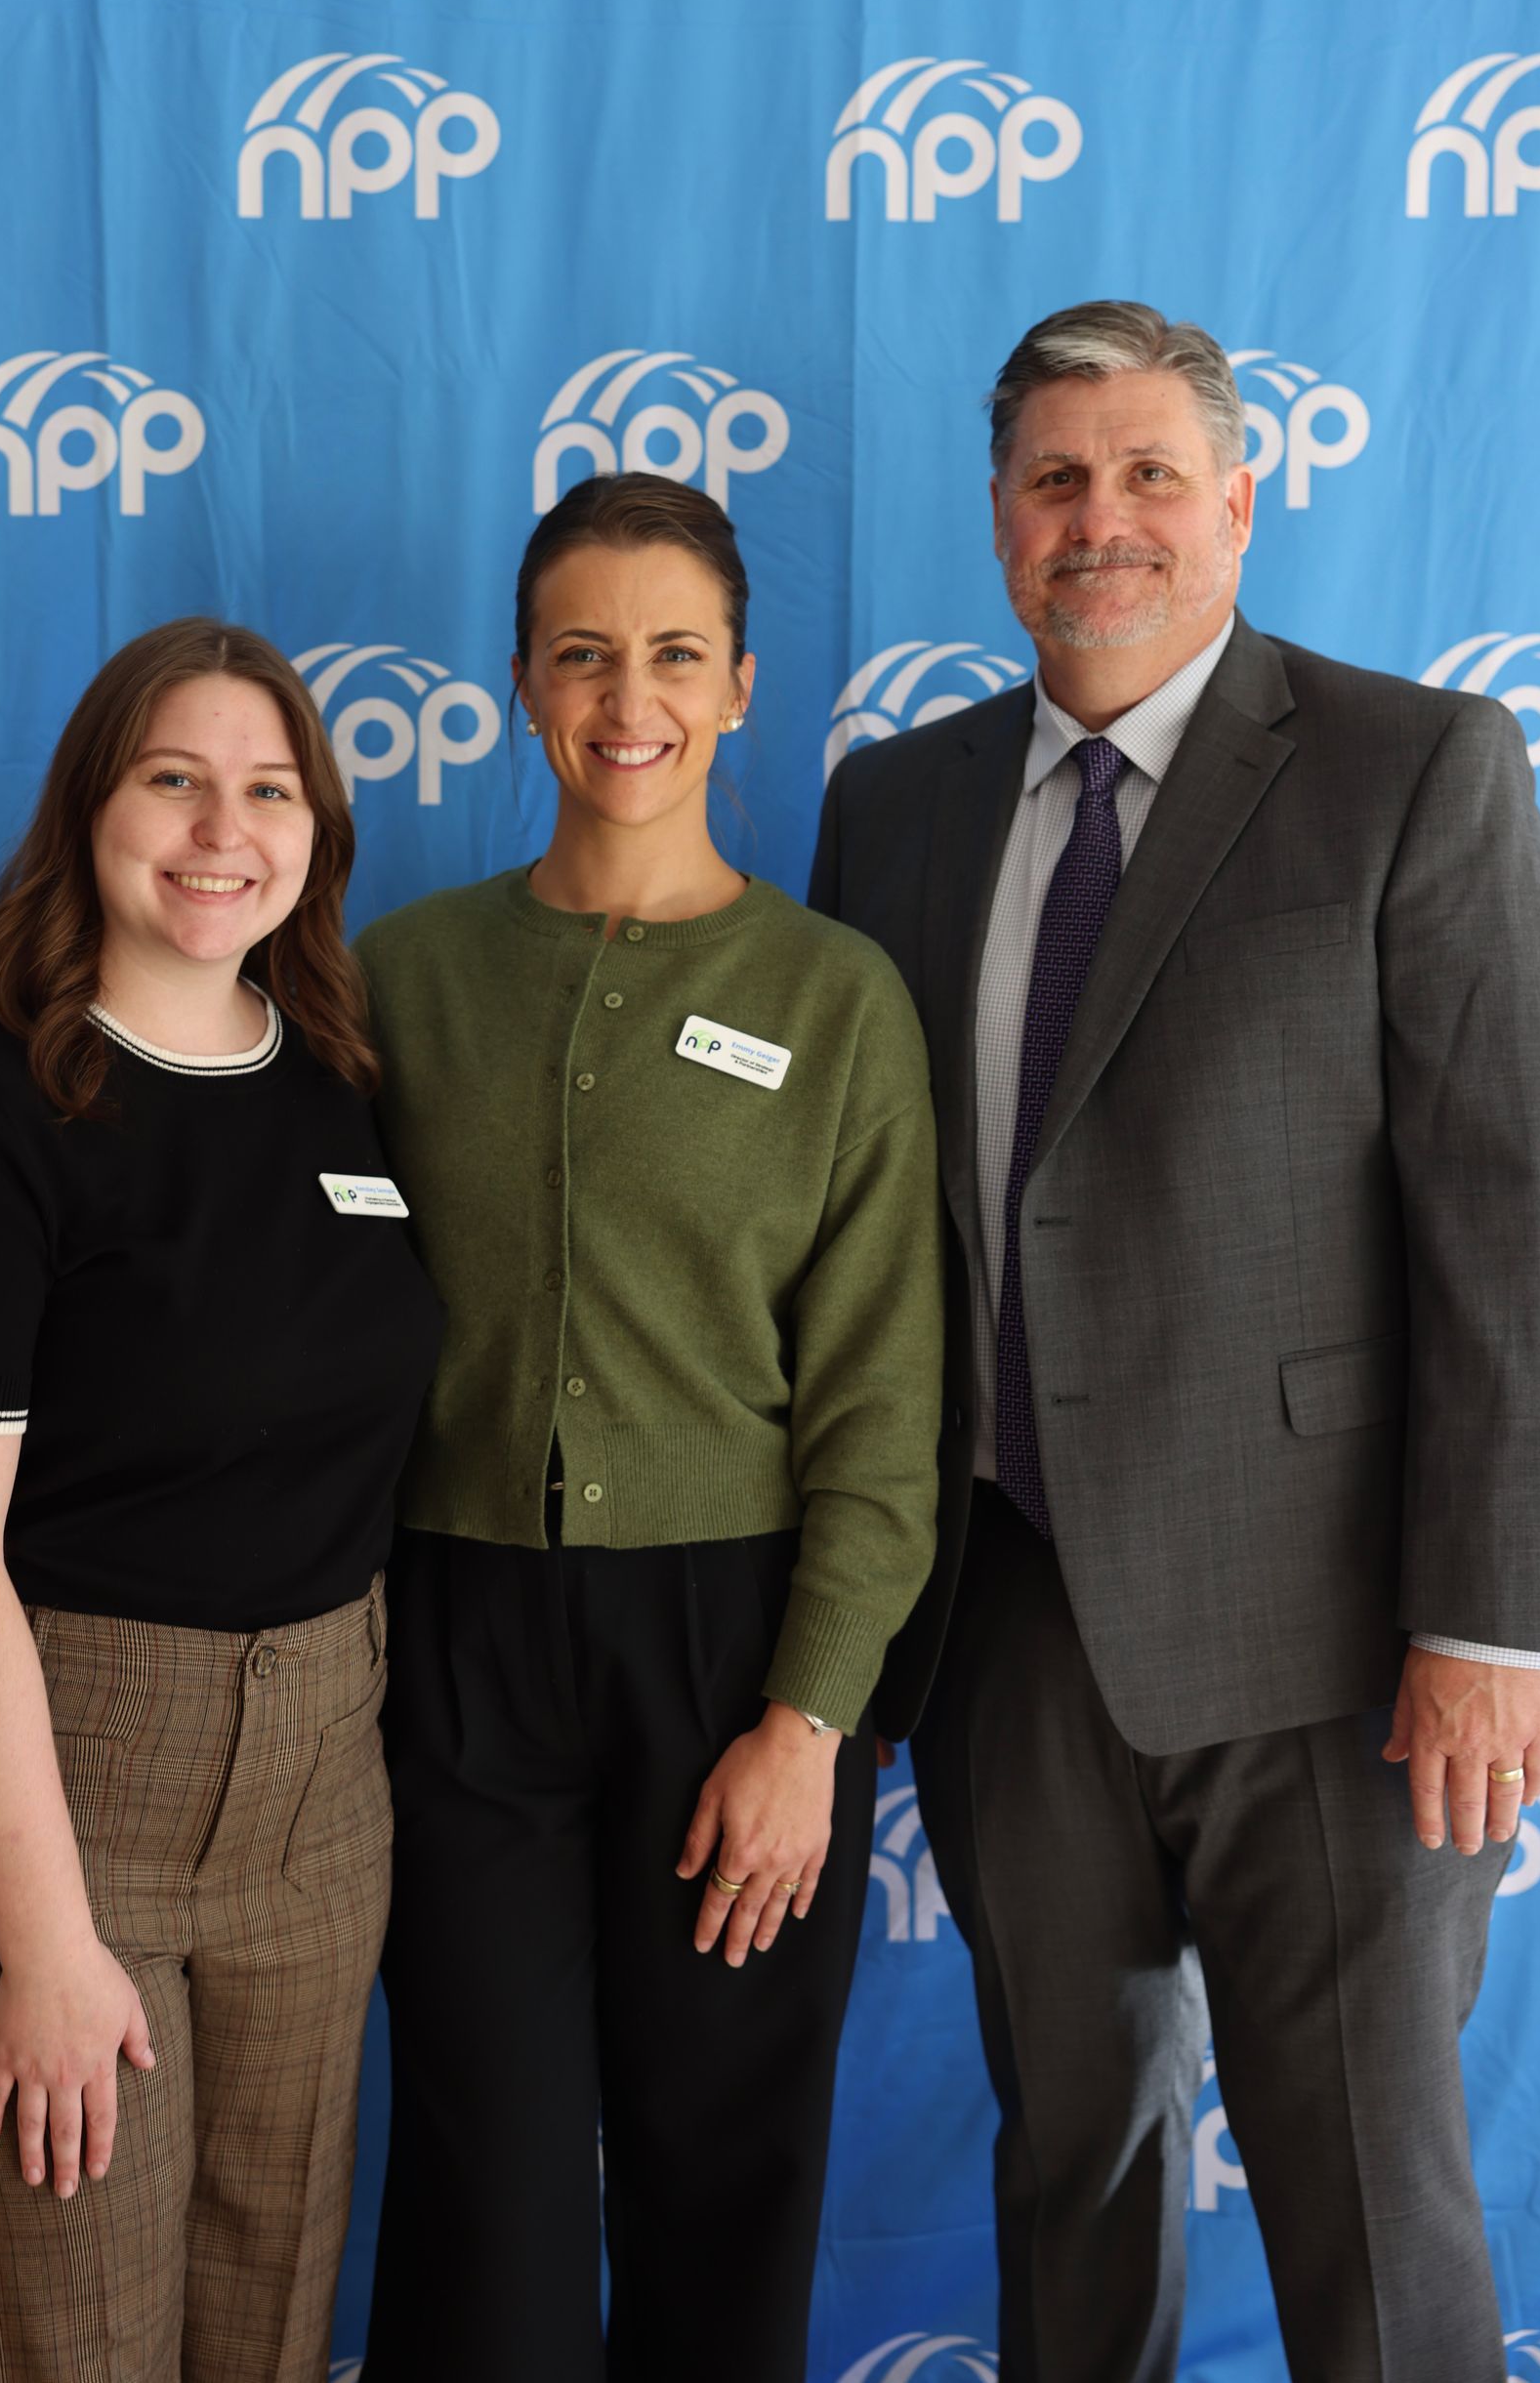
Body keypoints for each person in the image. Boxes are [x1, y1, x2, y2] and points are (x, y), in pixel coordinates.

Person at [809, 302, 1540, 2383]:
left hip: (1342, 1650)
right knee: (1067, 2170)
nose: (1106, 519)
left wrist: (1489, 1622)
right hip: (1005, 1621)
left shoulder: (1412, 766)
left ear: (1239, 503)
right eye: (1059, 479)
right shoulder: (891, 811)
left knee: (1365, 2191)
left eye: (1152, 473)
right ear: (999, 521)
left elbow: (1525, 1220)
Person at [0, 618, 442, 2383]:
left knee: (262, 2331)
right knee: (48, 2342)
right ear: (87, 813)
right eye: (173, 780)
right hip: (21, 1804)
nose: (224, 829)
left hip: (310, 1814)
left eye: (269, 790)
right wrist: (48, 1947)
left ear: (317, 837)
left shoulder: (342, 1095)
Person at [351, 471, 943, 2383]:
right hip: (452, 1642)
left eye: (676, 654)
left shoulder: (835, 1000)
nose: (633, 700)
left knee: (720, 2170)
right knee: (485, 2191)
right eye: (586, 654)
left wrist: (807, 1723)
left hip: (734, 1653)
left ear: (744, 686)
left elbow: (879, 1402)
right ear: (519, 682)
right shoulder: (398, 982)